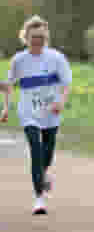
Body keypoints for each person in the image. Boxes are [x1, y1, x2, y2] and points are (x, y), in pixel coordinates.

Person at [0, 15, 72, 215]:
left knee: (47, 154)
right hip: (28, 111)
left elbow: (66, 84)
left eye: (41, 37)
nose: (38, 41)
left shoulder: (56, 57)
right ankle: (39, 198)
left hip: (51, 112)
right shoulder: (19, 60)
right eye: (34, 37)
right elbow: (8, 86)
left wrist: (61, 102)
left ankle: (43, 174)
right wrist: (5, 108)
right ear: (26, 37)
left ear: (46, 37)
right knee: (36, 149)